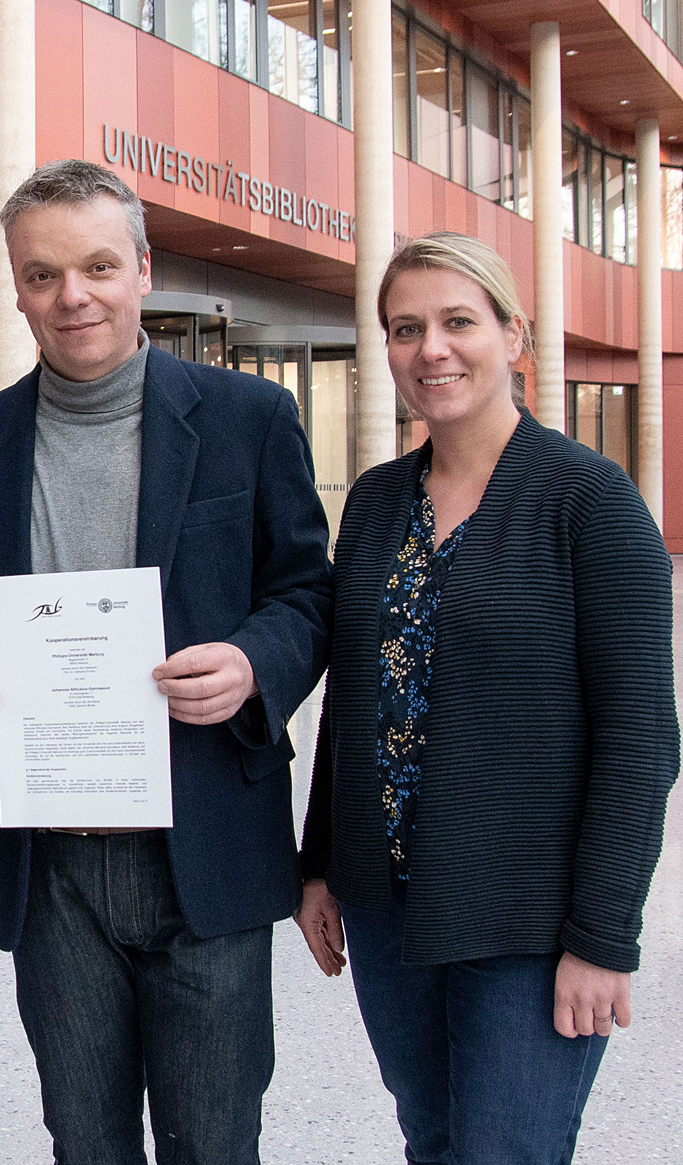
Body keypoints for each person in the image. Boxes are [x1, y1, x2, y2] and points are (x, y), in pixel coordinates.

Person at [0, 159, 332, 1164]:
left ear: (142, 268)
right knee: (83, 1140)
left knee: (214, 1140)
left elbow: (308, 593)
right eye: (44, 274)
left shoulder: (249, 421)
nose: (73, 296)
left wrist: (247, 662)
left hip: (206, 847)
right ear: (14, 286)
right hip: (51, 859)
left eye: (98, 265)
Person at [295, 231, 679, 1165]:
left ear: (515, 335)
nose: (432, 348)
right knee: (432, 1139)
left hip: (529, 917)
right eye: (406, 327)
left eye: (458, 321)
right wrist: (318, 864)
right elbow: (358, 694)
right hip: (387, 909)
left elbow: (641, 740)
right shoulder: (380, 502)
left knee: (504, 1152)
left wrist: (603, 936)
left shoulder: (590, 500)